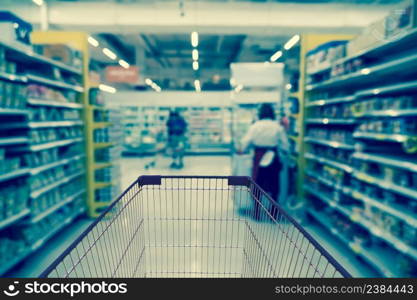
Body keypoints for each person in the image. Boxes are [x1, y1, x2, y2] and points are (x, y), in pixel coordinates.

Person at [240, 103, 289, 220]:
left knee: (257, 184)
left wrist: (243, 150)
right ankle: (273, 213)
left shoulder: (255, 126)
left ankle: (256, 212)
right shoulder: (277, 126)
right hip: (273, 157)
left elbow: (245, 142)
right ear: (272, 113)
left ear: (260, 113)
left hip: (258, 156)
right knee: (274, 185)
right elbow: (285, 145)